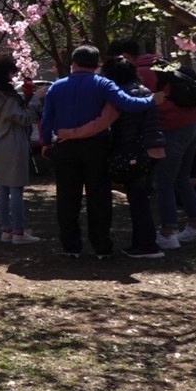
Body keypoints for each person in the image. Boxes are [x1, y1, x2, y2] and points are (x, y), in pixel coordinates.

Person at [41, 45, 163, 259]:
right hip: (96, 146)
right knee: (99, 197)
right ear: (97, 64)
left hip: (65, 145)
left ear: (74, 63)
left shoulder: (57, 86)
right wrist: (151, 100)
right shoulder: (102, 84)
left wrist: (46, 142)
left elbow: (47, 118)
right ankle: (101, 246)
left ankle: (71, 246)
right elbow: (128, 103)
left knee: (67, 197)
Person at [111, 38, 196, 249]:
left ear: (125, 55)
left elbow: (139, 101)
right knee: (182, 177)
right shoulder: (163, 63)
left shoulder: (144, 72)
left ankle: (168, 232)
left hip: (173, 128)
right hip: (193, 124)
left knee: (163, 182)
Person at [0, 57, 39, 244]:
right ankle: (19, 232)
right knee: (16, 188)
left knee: (3, 187)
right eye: (13, 73)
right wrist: (35, 101)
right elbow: (23, 118)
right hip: (13, 143)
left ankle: (6, 229)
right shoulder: (7, 97)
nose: (14, 77)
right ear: (6, 74)